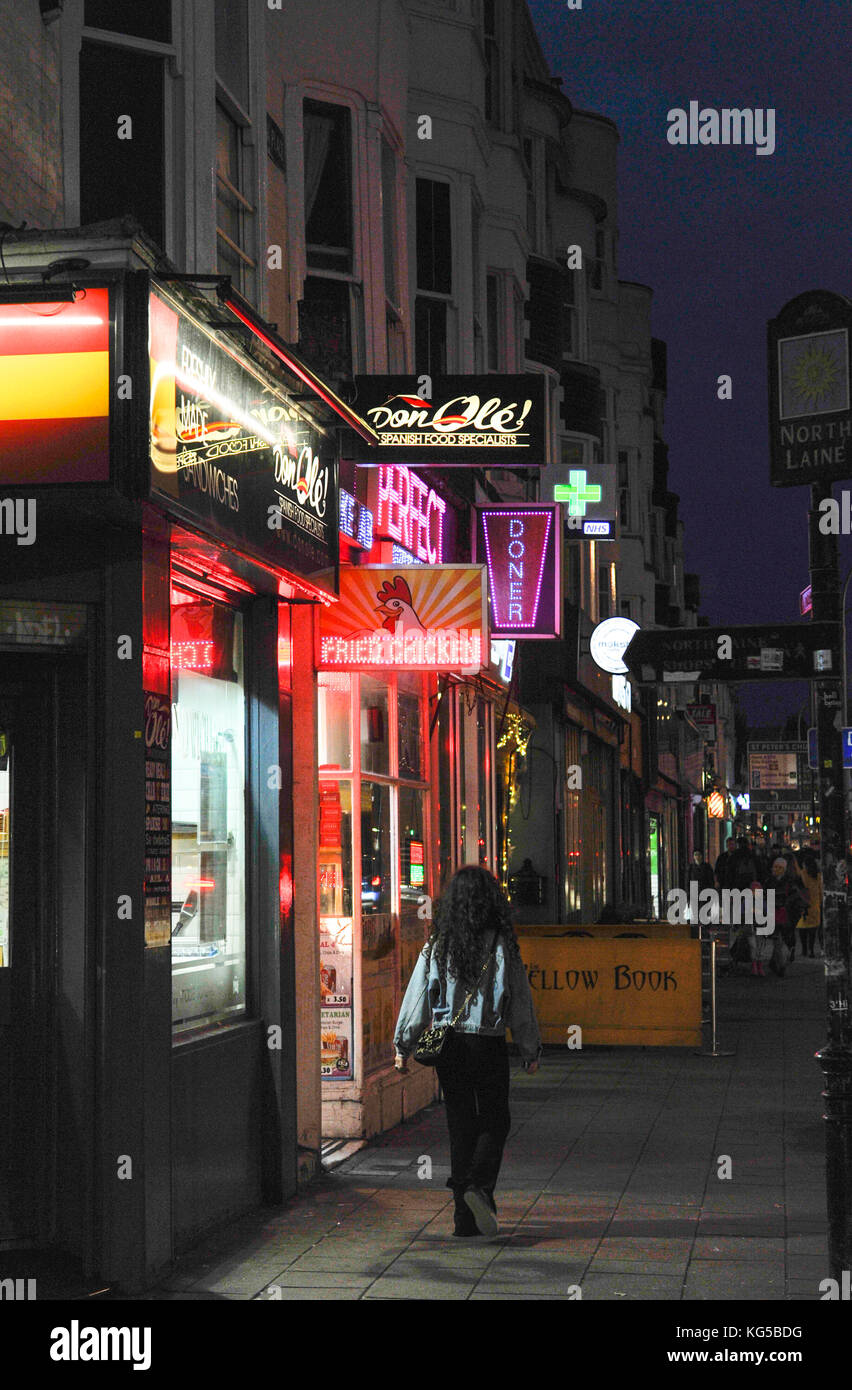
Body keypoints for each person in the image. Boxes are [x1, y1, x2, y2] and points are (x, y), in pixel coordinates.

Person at [392, 865, 542, 1238]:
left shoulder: (438, 944)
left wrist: (403, 1044)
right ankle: (478, 1186)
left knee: (460, 1124)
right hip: (486, 1041)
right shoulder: (501, 943)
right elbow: (519, 997)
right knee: (495, 1119)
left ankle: (464, 1219)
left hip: (447, 1046)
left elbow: (417, 998)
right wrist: (529, 1045)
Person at [794, 849, 822, 958]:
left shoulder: (803, 874)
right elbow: (820, 890)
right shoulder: (818, 876)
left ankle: (804, 950)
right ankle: (811, 950)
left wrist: (795, 861)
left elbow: (797, 873)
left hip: (804, 905)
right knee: (812, 931)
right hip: (815, 906)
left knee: (802, 929)